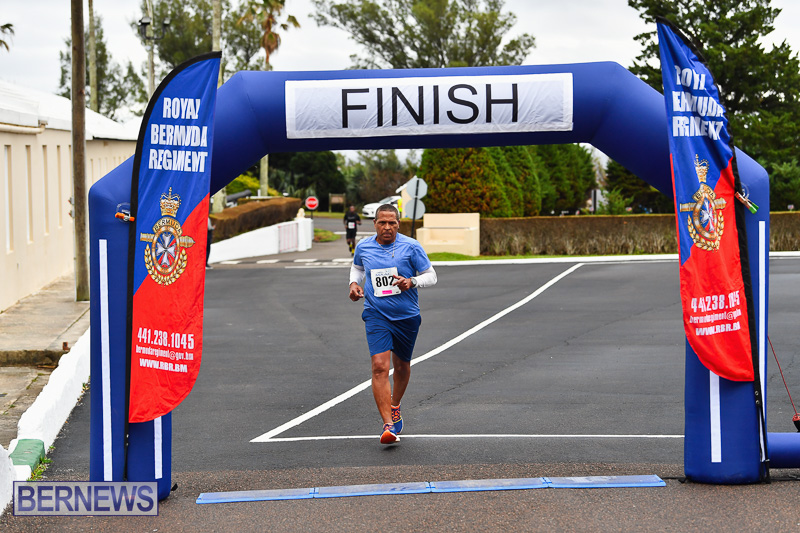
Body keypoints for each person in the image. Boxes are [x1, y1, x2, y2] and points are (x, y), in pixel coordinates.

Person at [348, 204, 437, 444]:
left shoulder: (411, 246)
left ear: (398, 224)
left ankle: (395, 405)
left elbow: (432, 275)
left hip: (406, 316)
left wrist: (412, 282)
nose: (387, 227)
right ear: (374, 223)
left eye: (392, 223)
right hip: (376, 313)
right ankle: (388, 425)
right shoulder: (364, 246)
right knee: (379, 366)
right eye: (382, 222)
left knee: (402, 366)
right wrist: (354, 285)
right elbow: (357, 268)